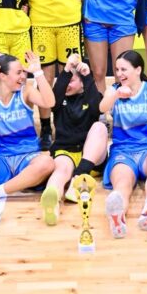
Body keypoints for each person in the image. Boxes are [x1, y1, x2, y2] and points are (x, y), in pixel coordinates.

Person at [0, 52, 57, 232]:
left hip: (26, 157)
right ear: (3, 76)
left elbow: (49, 102)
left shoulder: (26, 91)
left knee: (47, 162)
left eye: (23, 72)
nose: (23, 76)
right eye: (18, 72)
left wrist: (38, 73)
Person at [23, 0, 89, 148]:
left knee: (70, 76)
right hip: (41, 23)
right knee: (44, 77)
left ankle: (67, 124)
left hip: (69, 22)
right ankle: (45, 128)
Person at [100, 50, 147, 238]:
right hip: (123, 151)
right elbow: (102, 107)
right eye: (117, 69)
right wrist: (116, 95)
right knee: (123, 183)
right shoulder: (113, 90)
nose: (119, 74)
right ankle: (117, 217)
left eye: (124, 69)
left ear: (138, 70)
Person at [40, 53, 109, 225]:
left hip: (90, 157)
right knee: (61, 171)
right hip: (66, 151)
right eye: (65, 81)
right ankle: (52, 200)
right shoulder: (59, 99)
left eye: (71, 81)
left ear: (83, 83)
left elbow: (96, 108)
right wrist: (66, 71)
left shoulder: (92, 96)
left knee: (100, 127)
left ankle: (79, 175)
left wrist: (87, 77)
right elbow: (54, 99)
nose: (67, 85)